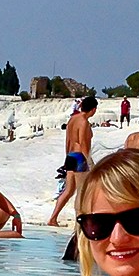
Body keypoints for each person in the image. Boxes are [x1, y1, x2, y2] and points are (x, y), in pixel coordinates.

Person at [47, 95, 97, 226]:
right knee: (81, 191)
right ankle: (79, 222)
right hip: (80, 157)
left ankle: (53, 218)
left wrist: (67, 157)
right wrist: (90, 163)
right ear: (93, 109)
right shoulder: (84, 122)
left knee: (68, 190)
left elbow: (68, 140)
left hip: (70, 156)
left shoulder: (72, 119)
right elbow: (83, 143)